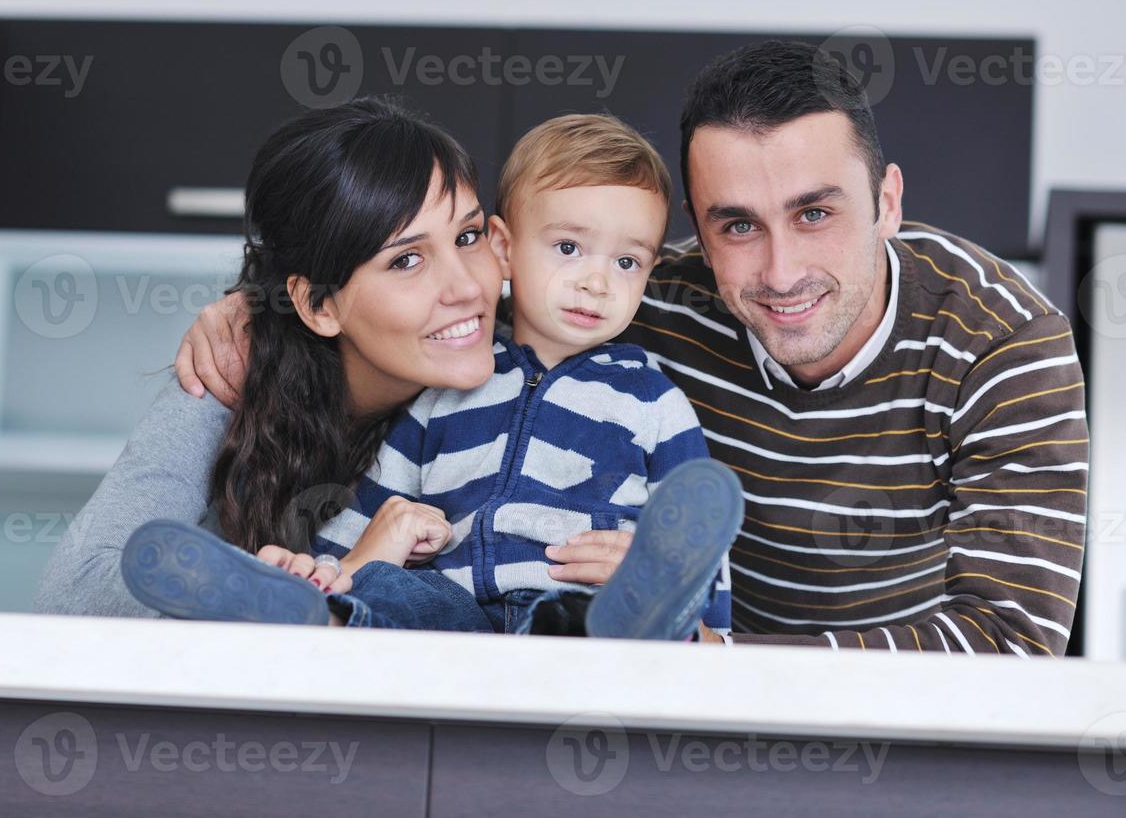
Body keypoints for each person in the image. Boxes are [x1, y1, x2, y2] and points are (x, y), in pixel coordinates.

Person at [175, 41, 1089, 656]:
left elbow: (1010, 641)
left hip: (868, 715)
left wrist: (711, 650)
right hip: (629, 693)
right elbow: (441, 284)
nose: (778, 269)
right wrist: (267, 303)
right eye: (735, 225)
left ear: (888, 200)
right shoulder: (641, 298)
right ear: (693, 234)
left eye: (816, 212)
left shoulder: (1005, 347)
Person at [120, 114, 743, 639]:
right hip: (454, 615)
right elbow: (373, 508)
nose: (596, 281)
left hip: (569, 612)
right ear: (507, 247)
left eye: (627, 261)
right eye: (568, 249)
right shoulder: (444, 394)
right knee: (393, 591)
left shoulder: (652, 400)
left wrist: (701, 625)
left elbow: (692, 538)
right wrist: (325, 572)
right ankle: (305, 617)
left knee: (597, 612)